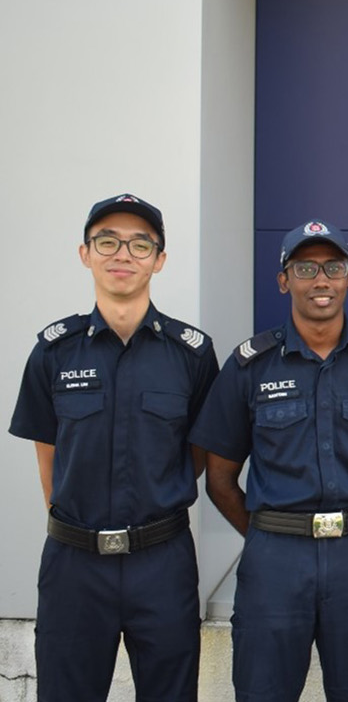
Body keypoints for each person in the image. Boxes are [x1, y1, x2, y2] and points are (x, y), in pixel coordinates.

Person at [190, 219, 348, 702]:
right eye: (306, 267)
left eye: (333, 267)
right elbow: (221, 480)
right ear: (284, 279)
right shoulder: (250, 365)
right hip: (274, 559)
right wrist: (269, 536)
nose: (321, 279)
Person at [9, 193, 217, 701]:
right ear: (85, 253)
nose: (123, 254)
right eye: (107, 241)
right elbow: (49, 456)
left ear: (159, 260)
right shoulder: (53, 351)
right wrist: (80, 527)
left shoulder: (192, 353)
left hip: (161, 560)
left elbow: (199, 453)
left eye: (140, 244)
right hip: (75, 564)